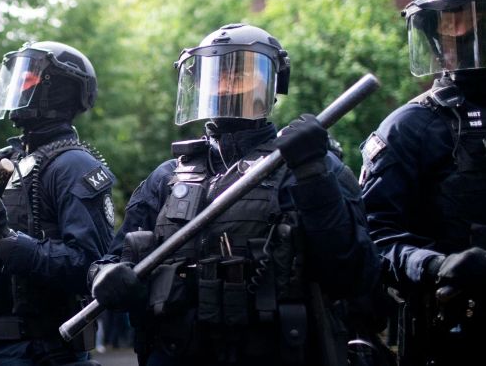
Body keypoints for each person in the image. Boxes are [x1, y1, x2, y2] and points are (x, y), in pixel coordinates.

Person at [90, 23, 379, 365]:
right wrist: (105, 278)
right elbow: (109, 262)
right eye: (216, 75)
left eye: (240, 74)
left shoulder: (310, 166)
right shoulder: (167, 177)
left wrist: (314, 175)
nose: (226, 86)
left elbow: (357, 278)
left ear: (271, 83)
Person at [0, 41, 116, 365]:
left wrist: (8, 241)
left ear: (59, 90)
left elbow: (91, 265)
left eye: (29, 79)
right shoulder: (13, 160)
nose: (18, 87)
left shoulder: (74, 165)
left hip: (43, 349)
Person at [360, 0, 486, 365]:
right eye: (445, 24)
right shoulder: (408, 127)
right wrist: (434, 265)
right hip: (451, 328)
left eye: (466, 20)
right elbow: (375, 236)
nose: (456, 35)